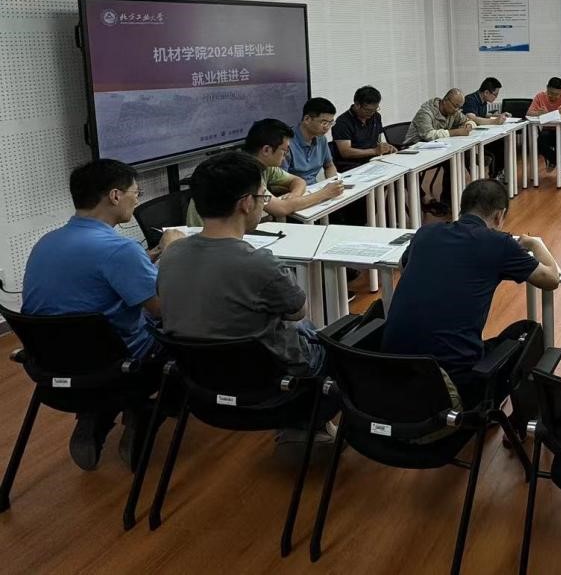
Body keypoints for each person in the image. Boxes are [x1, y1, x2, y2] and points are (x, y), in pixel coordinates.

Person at [158, 152, 332, 446]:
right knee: (325, 340)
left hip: (200, 386)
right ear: (247, 203)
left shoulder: (171, 254)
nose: (264, 204)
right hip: (267, 385)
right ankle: (309, 424)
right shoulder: (259, 263)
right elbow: (298, 311)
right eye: (263, 196)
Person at [22, 160, 184, 470]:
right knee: (184, 330)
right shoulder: (120, 250)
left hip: (51, 367)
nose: (136, 199)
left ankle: (94, 413)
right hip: (119, 366)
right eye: (136, 192)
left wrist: (149, 258)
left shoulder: (46, 242)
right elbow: (164, 309)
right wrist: (172, 251)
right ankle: (144, 414)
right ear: (115, 195)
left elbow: (92, 279)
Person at [381, 179, 561, 405]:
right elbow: (551, 278)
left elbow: (403, 265)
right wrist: (535, 244)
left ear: (462, 208)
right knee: (529, 332)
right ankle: (512, 417)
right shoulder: (499, 243)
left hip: (391, 375)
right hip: (448, 387)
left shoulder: (426, 233)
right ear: (499, 215)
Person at [188, 119, 343, 225]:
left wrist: (294, 195)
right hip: (211, 238)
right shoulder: (243, 171)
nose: (286, 155)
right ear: (267, 150)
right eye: (284, 151)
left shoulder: (266, 166)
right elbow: (281, 209)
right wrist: (324, 193)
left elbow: (298, 181)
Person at [405, 89, 475, 212]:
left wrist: (468, 125)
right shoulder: (426, 112)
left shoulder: (453, 112)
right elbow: (428, 135)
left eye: (459, 107)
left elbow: (467, 120)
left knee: (454, 160)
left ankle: (449, 201)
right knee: (451, 161)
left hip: (436, 149)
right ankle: (428, 198)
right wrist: (455, 132)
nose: (457, 110)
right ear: (445, 100)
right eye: (455, 106)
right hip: (415, 150)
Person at [331, 85, 396, 169]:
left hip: (374, 160)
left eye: (375, 109)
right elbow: (346, 152)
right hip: (352, 165)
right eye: (369, 110)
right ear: (357, 105)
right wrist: (374, 151)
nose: (372, 113)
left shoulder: (376, 116)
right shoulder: (342, 122)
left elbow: (378, 141)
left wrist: (387, 147)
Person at [527, 76, 561, 172]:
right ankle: (557, 161)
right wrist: (539, 113)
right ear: (547, 88)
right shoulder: (540, 96)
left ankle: (556, 161)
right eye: (550, 93)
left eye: (556, 94)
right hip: (548, 129)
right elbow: (529, 113)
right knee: (539, 143)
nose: (553, 96)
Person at [463, 77, 509, 179]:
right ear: (486, 92)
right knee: (498, 147)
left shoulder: (483, 101)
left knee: (502, 142)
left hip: (481, 135)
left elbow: (482, 116)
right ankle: (494, 175)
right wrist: (494, 121)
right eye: (495, 94)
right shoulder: (470, 99)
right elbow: (472, 118)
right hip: (470, 139)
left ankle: (497, 173)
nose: (496, 97)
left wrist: (498, 115)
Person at [288, 97, 339, 185]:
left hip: (315, 187)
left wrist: (333, 182)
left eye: (330, 123)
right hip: (294, 190)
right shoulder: (286, 142)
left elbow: (329, 166)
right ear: (307, 119)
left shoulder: (321, 139)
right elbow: (278, 181)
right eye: (324, 123)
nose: (327, 127)